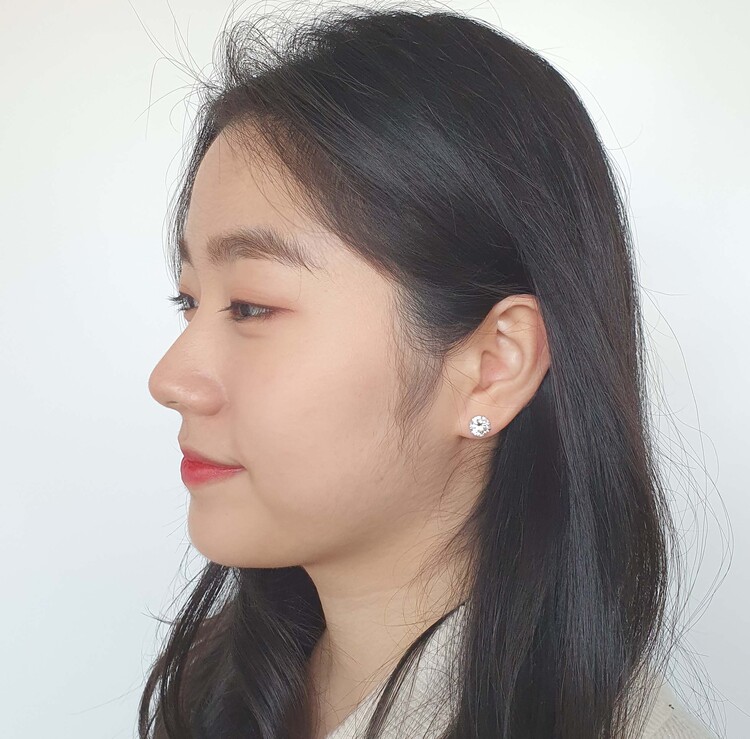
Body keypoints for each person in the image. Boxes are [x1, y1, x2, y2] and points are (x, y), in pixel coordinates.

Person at [142, 5, 719, 738]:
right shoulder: (218, 687)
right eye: (189, 301)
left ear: (492, 367)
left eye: (251, 306)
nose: (171, 378)